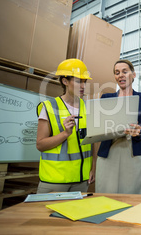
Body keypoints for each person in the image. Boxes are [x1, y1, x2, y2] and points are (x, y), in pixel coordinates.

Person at [36, 59, 94, 193]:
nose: (83, 86)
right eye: (78, 81)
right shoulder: (50, 107)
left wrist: (93, 168)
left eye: (84, 81)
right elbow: (40, 145)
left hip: (81, 180)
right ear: (65, 81)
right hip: (55, 181)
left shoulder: (88, 108)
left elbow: (92, 142)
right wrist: (65, 134)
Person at [95, 59, 141, 194]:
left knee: (133, 194)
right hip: (109, 151)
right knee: (106, 193)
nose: (120, 75)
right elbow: (99, 127)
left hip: (133, 151)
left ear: (133, 74)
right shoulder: (106, 98)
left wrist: (140, 131)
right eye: (117, 72)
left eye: (124, 71)